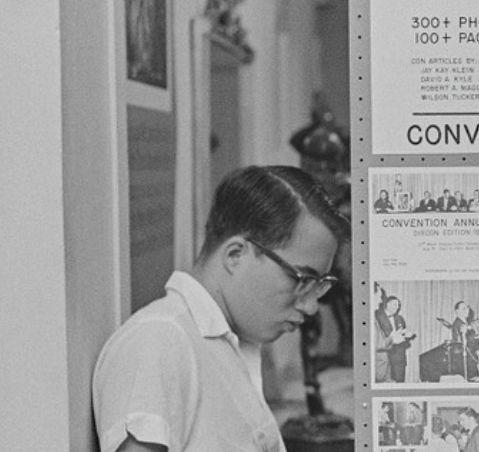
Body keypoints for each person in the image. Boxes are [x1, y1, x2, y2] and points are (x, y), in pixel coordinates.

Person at [92, 166, 348, 452]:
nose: (311, 306)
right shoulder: (158, 341)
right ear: (235, 255)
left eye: (320, 285)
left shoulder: (227, 343)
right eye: (301, 279)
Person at [377, 295, 414, 383]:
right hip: (385, 357)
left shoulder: (400, 318)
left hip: (399, 358)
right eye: (395, 304)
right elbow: (378, 339)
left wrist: (406, 335)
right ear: (388, 304)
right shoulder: (377, 317)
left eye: (398, 305)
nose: (397, 307)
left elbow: (402, 338)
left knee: (399, 382)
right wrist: (393, 336)